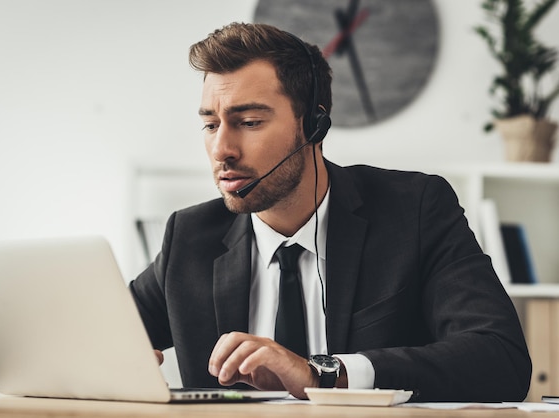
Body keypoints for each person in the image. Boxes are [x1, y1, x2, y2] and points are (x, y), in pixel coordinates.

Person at [129, 22, 531, 402]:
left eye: (249, 122)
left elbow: (501, 358)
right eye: (211, 125)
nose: (222, 150)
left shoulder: (416, 209)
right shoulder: (190, 235)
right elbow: (92, 335)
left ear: (315, 126)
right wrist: (107, 361)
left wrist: (324, 374)